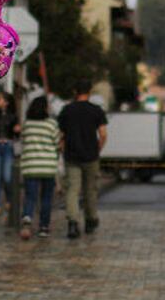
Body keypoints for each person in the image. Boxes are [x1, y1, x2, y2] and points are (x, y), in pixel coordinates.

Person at [58, 78, 108, 239]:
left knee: (72, 189)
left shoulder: (67, 110)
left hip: (72, 155)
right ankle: (90, 220)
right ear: (90, 91)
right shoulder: (96, 110)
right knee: (90, 190)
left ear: (75, 91)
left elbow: (61, 135)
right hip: (91, 155)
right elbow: (103, 134)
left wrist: (63, 149)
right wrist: (98, 148)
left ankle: (73, 222)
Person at [18, 96, 60, 240]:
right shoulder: (51, 124)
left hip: (30, 166)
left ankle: (28, 217)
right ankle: (43, 227)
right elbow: (57, 143)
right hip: (47, 166)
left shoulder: (27, 124)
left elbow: (23, 140)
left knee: (30, 196)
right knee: (46, 198)